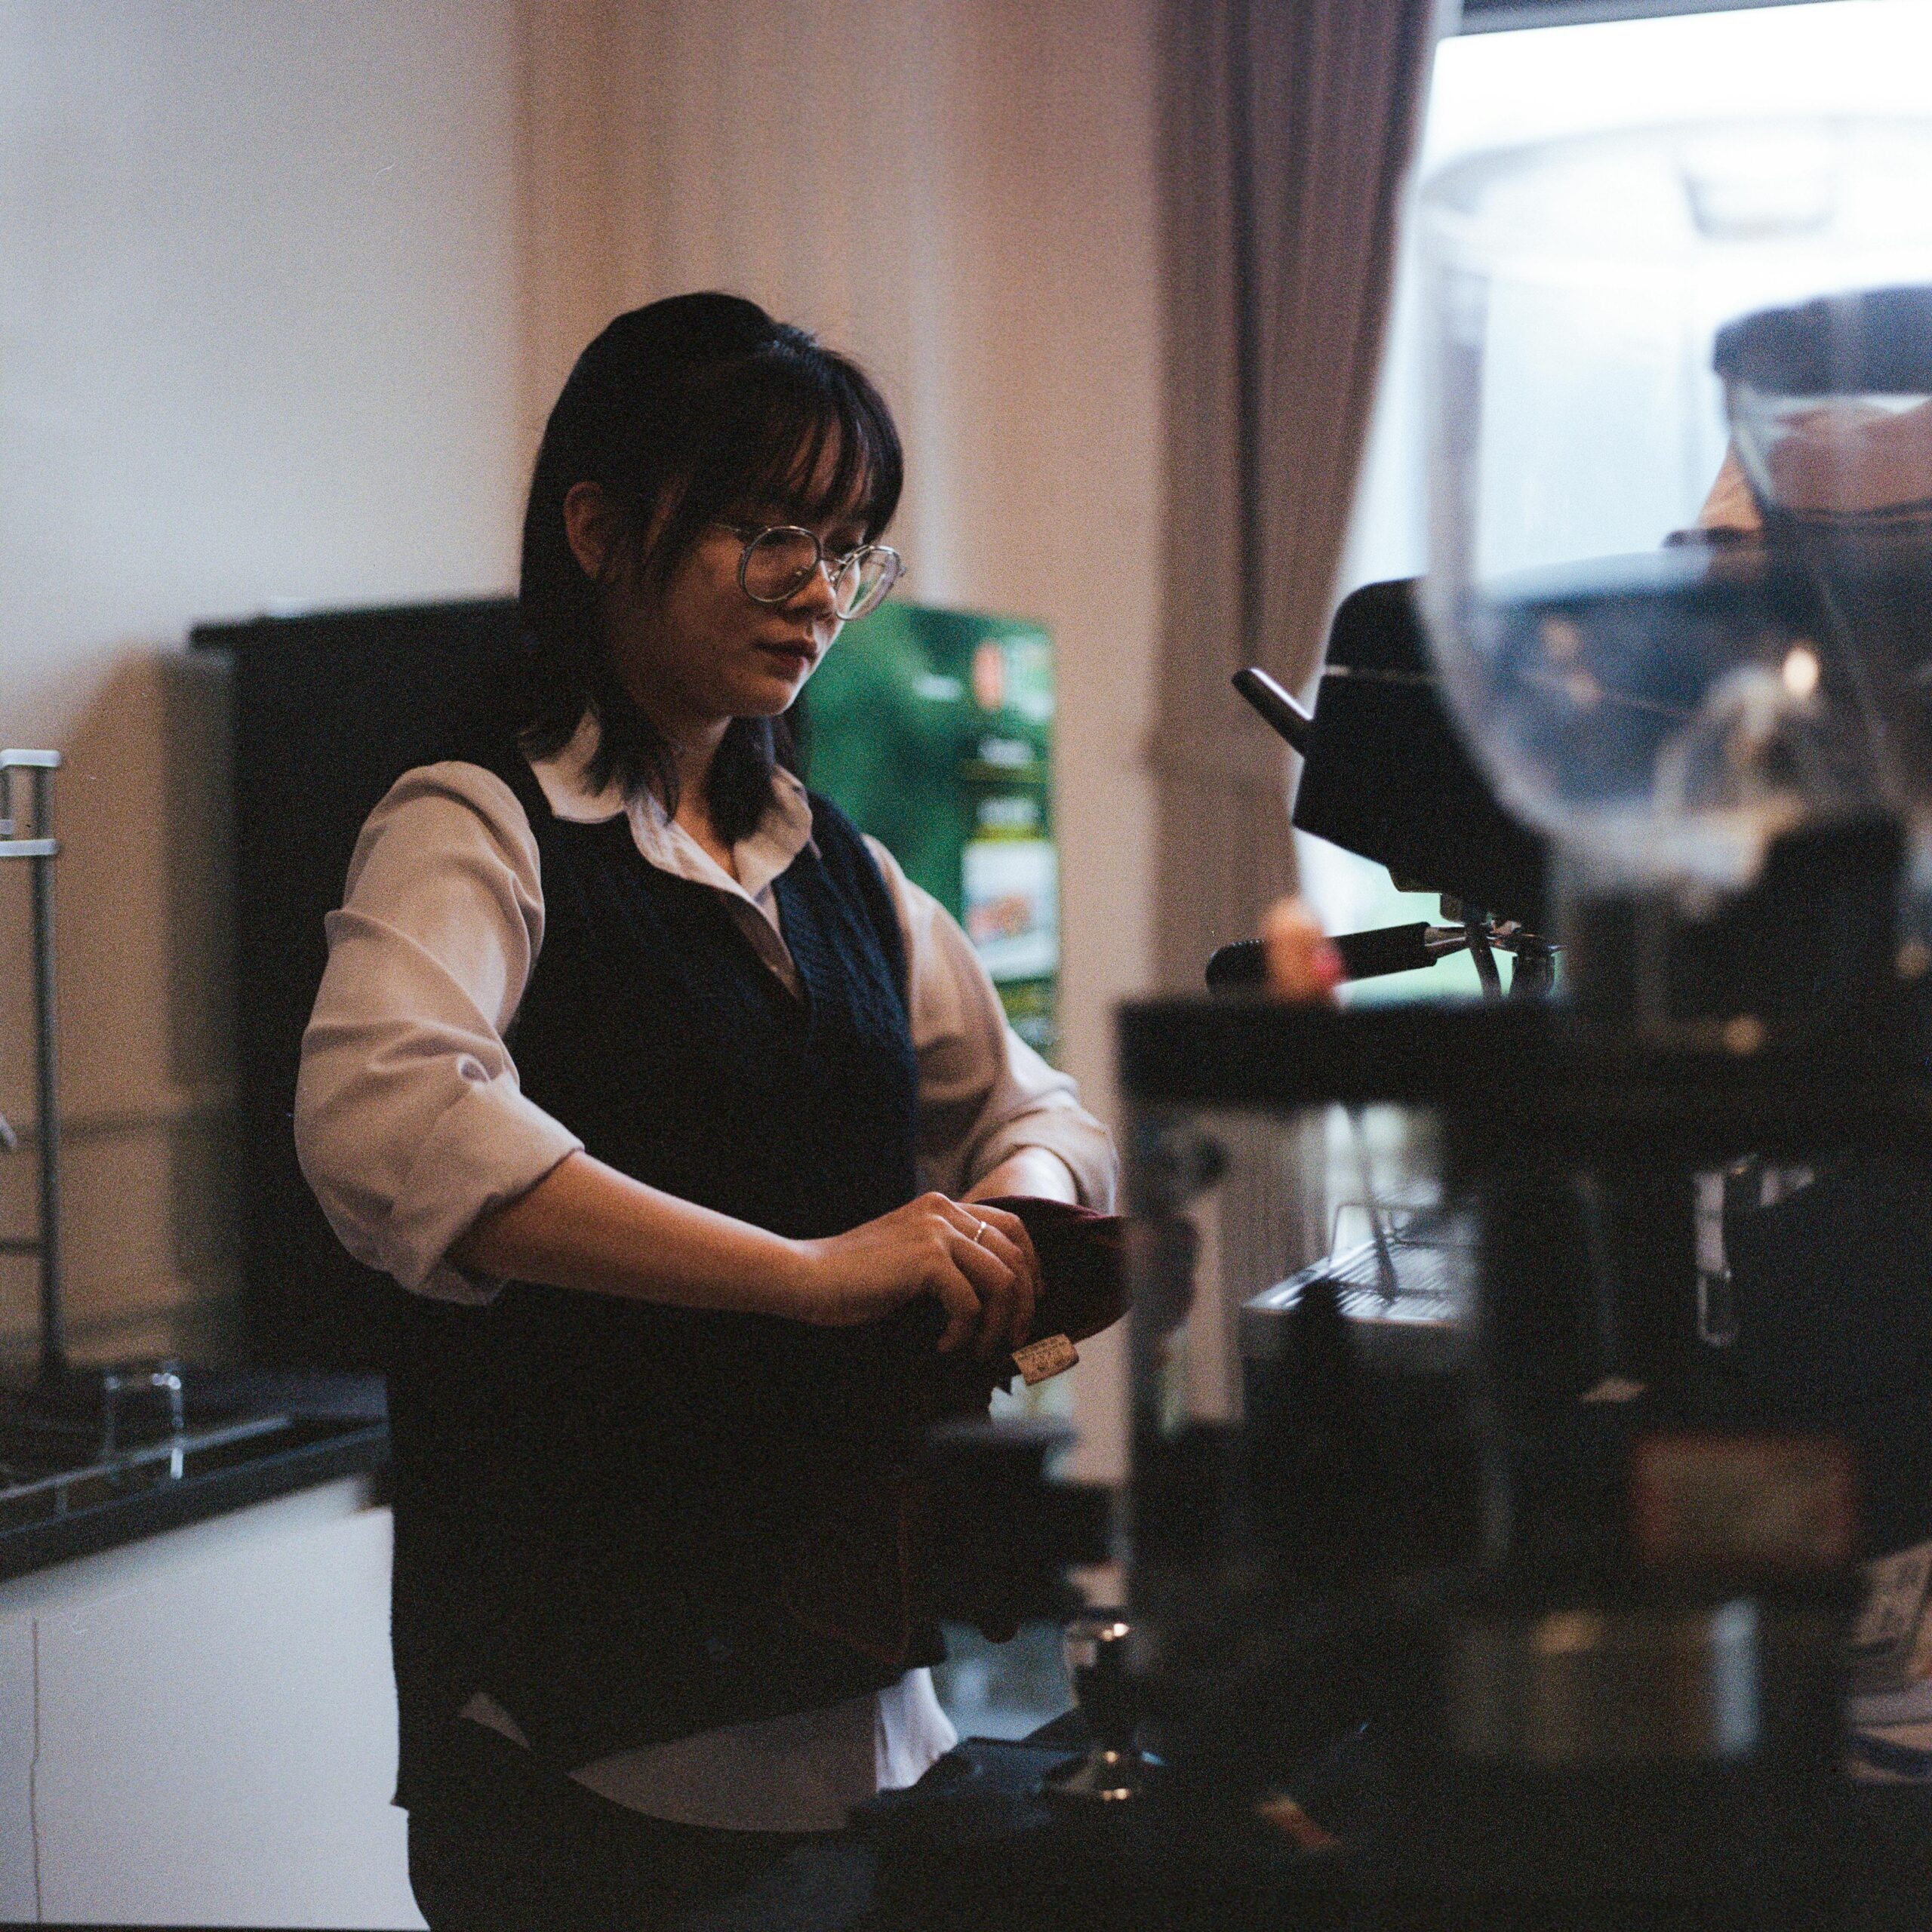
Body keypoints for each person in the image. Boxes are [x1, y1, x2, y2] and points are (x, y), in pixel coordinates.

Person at [293, 292, 1116, 1929]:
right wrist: (808, 1273)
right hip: (593, 1740)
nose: (819, 592)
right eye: (767, 533)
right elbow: (386, 1121)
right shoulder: (476, 824)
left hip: (864, 1696)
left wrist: (1006, 1218)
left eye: (848, 546)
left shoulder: (838, 863)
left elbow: (1039, 1105)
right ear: (600, 527)